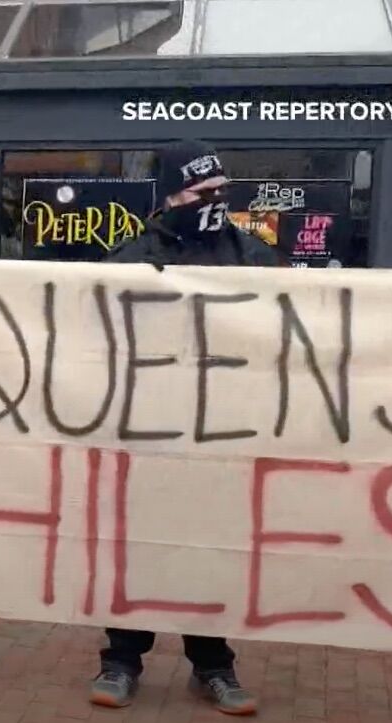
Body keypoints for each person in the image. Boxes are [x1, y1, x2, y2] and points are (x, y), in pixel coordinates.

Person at [90, 140, 275, 715]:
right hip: (149, 433)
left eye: (221, 190)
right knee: (137, 551)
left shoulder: (253, 255)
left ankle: (213, 666)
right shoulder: (131, 257)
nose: (215, 202)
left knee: (209, 554)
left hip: (225, 434)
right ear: (171, 196)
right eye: (201, 193)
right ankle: (121, 660)